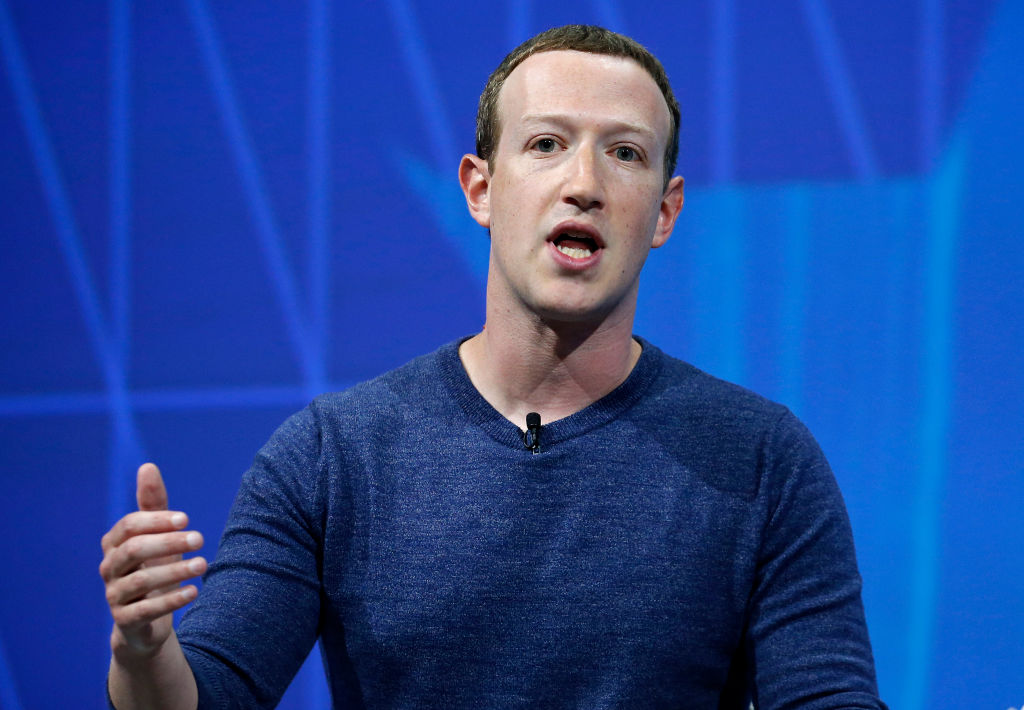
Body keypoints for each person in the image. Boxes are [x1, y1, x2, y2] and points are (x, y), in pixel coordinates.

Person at [99, 25, 886, 709]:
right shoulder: (333, 456)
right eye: (547, 144)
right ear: (481, 188)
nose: (584, 184)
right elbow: (206, 697)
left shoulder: (761, 458)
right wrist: (143, 653)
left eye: (625, 153)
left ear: (665, 212)